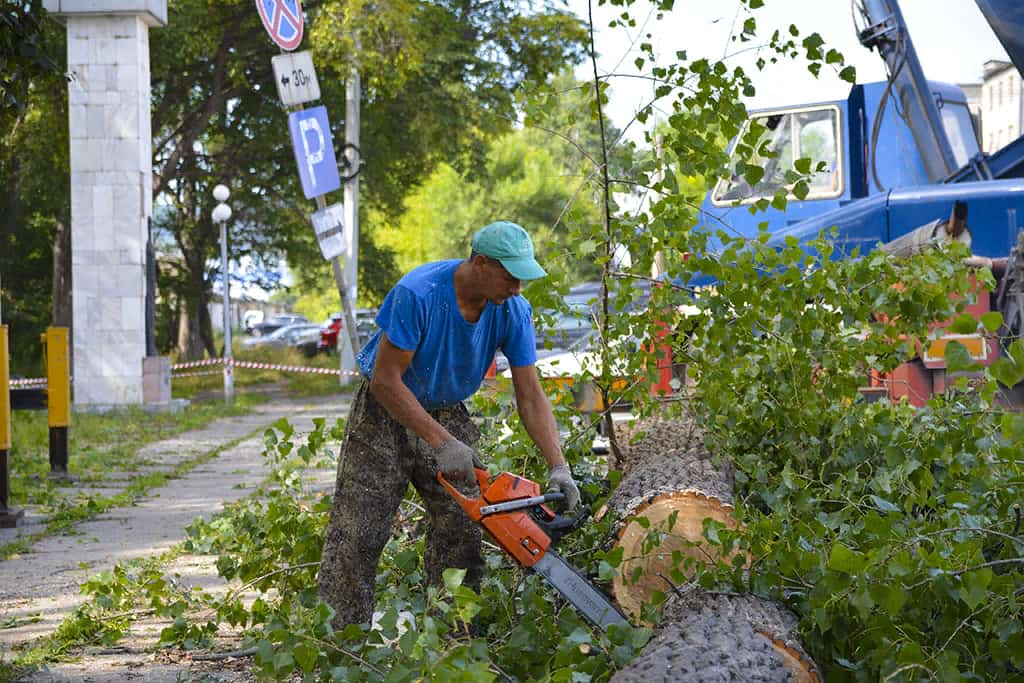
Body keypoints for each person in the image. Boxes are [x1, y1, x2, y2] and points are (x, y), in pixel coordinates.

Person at [317, 220, 580, 628]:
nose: (517, 288)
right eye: (511, 277)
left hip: (447, 408)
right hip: (384, 412)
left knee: (463, 532)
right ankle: (341, 649)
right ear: (480, 263)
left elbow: (529, 395)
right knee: (359, 534)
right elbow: (386, 381)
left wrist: (557, 466)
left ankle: (452, 645)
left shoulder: (512, 310)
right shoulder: (418, 293)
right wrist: (442, 442)